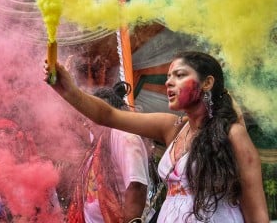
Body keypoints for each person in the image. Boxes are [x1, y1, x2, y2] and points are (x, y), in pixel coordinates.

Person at [44, 51, 269, 222]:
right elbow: (107, 115)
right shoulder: (172, 127)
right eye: (169, 76)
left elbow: (256, 211)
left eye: (180, 75)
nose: (168, 82)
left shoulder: (233, 134)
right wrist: (69, 90)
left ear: (207, 83)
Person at [67, 81, 151, 223]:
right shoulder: (98, 140)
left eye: (90, 115)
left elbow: (136, 186)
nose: (85, 122)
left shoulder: (124, 136)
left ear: (104, 114)